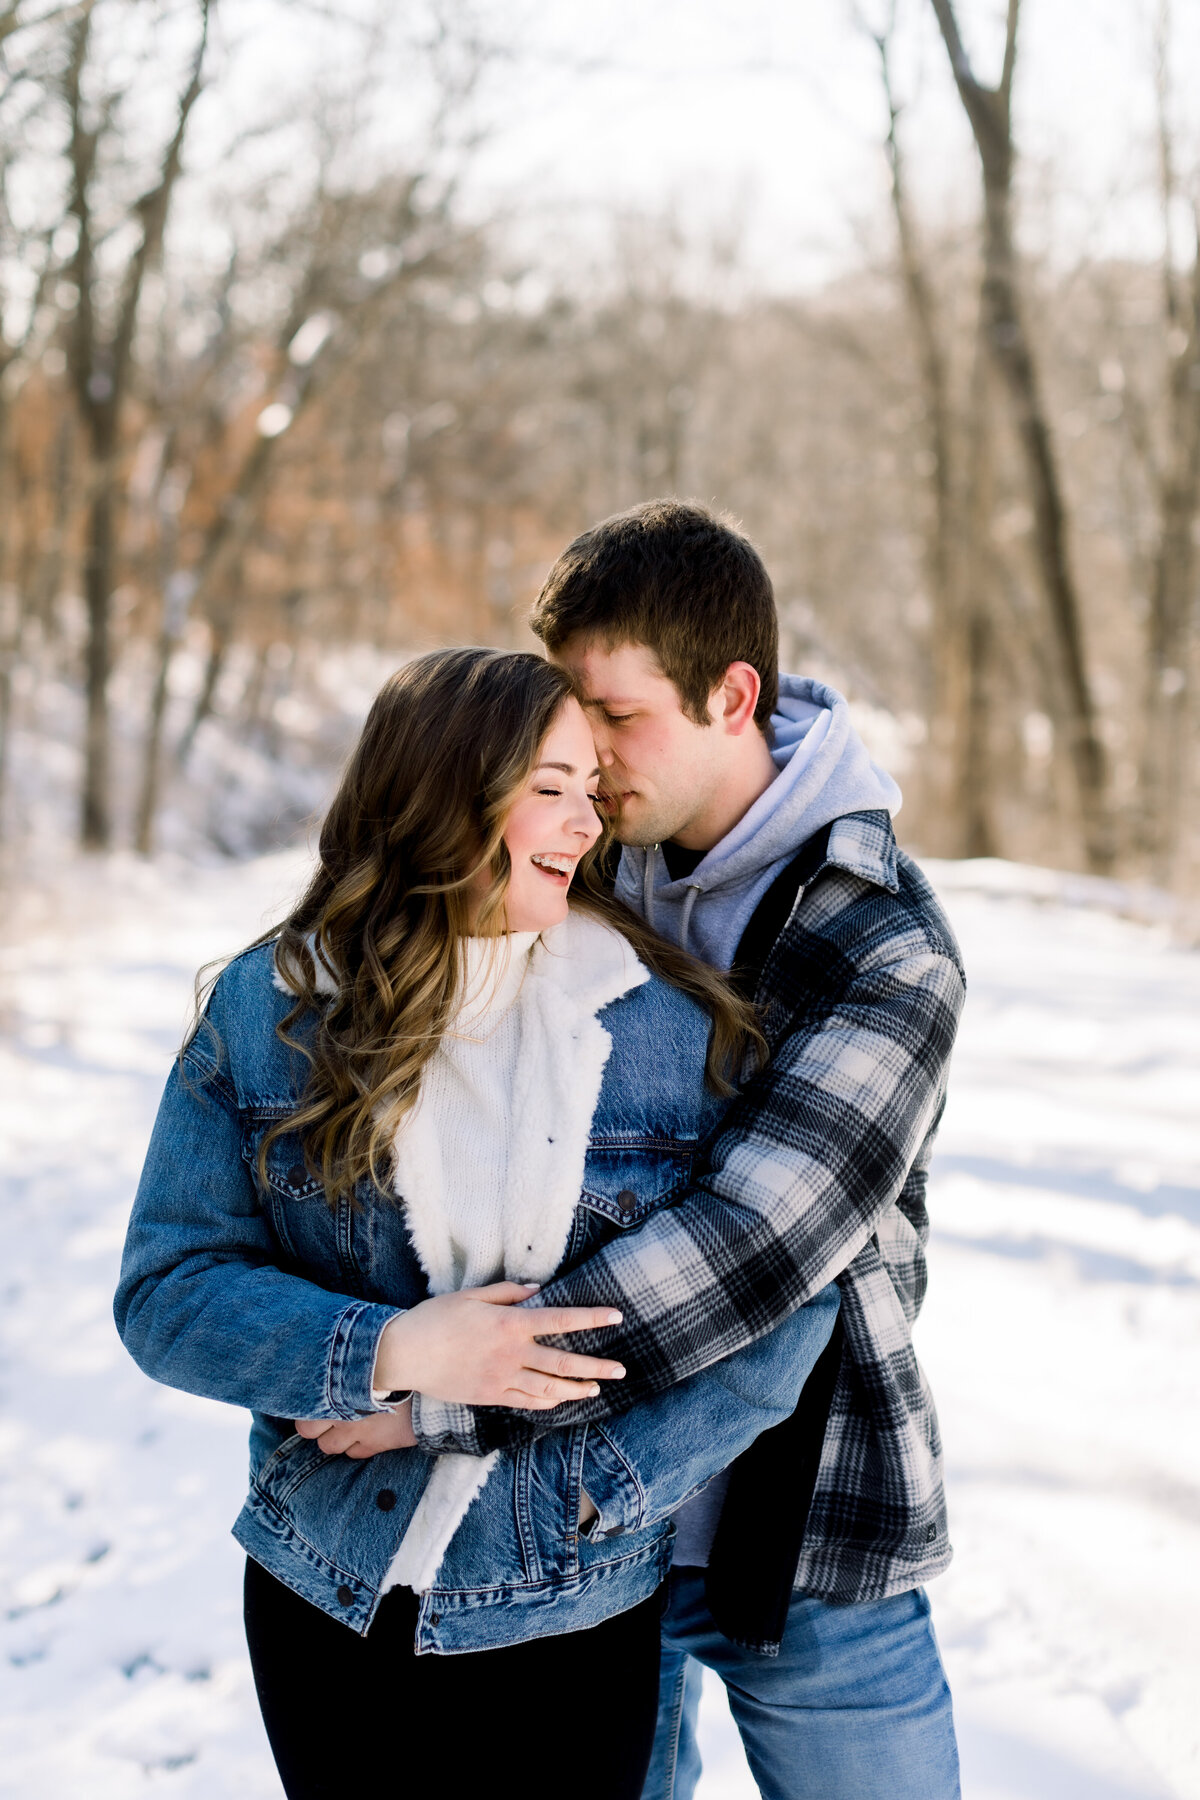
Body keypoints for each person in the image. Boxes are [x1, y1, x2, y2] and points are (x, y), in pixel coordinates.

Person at [114, 647, 839, 1800]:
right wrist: (394, 1352)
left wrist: (586, 1488)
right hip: (325, 1591)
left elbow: (786, 1313)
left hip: (574, 1610)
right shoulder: (275, 1007)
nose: (584, 823)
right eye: (549, 788)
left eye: (591, 791)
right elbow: (168, 1292)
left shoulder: (674, 1032)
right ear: (442, 792)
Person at [402, 503, 967, 1800]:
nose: (585, 761)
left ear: (735, 695)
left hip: (807, 1530)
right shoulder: (580, 863)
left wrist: (445, 1389)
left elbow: (754, 1246)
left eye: (618, 716)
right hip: (589, 1527)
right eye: (569, 714)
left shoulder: (882, 946)